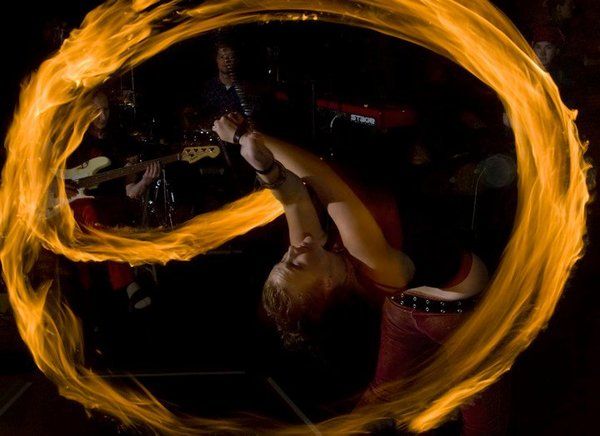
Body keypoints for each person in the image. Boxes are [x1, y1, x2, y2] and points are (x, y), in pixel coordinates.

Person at [213, 113, 508, 434]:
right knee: (483, 417)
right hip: (456, 316)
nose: (293, 250)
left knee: (380, 395)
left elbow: (293, 195)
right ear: (327, 285)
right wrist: (244, 136)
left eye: (284, 259)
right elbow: (321, 176)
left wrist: (265, 168)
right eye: (295, 264)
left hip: (403, 308)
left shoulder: (318, 259)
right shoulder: (366, 257)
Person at [67, 91, 160, 312]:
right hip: (76, 205)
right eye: (96, 111)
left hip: (110, 207)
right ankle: (127, 284)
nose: (102, 116)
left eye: (106, 110)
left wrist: (145, 181)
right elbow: (49, 175)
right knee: (90, 211)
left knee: (100, 218)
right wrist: (59, 185)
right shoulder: (72, 142)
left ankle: (100, 292)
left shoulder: (120, 143)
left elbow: (130, 192)